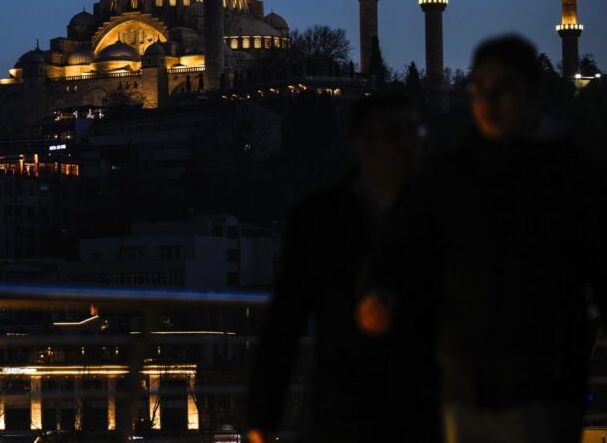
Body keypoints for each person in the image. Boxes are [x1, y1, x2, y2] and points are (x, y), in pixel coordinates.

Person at [358, 35, 606, 443]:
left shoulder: (570, 177)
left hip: (541, 388)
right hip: (464, 386)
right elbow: (397, 247)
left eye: (503, 89)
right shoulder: (450, 176)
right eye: (480, 89)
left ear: (532, 93)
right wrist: (377, 290)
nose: (489, 101)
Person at [246, 93, 440, 443]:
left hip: (426, 405)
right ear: (362, 144)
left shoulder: (443, 211)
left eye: (414, 131)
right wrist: (263, 415)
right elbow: (286, 321)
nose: (409, 144)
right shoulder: (319, 219)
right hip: (345, 404)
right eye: (396, 133)